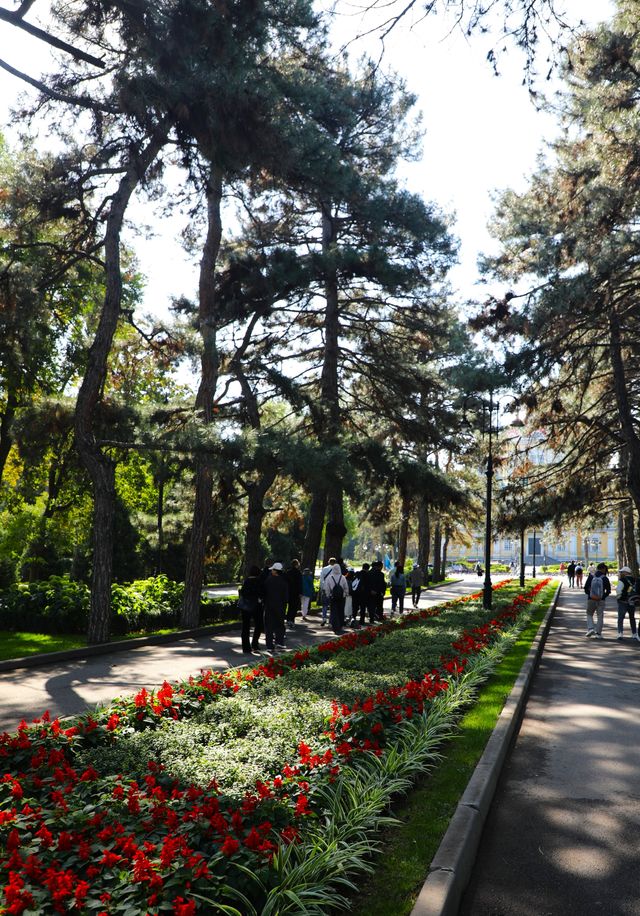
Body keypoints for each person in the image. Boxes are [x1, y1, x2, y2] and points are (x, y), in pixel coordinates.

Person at [263, 561, 289, 652]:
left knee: (269, 626)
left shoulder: (268, 580)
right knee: (280, 625)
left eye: (272, 570)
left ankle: (269, 646)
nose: (271, 571)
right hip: (280, 607)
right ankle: (280, 642)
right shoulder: (283, 582)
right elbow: (286, 596)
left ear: (275, 571)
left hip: (269, 606)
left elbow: (264, 593)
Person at [238, 565, 264, 653]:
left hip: (245, 607)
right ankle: (255, 643)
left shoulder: (246, 581)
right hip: (256, 606)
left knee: (245, 627)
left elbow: (243, 593)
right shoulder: (259, 581)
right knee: (259, 625)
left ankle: (246, 647)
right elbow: (262, 593)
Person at [584, 562, 611, 639]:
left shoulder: (591, 576)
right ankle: (598, 633)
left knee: (589, 614)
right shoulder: (605, 578)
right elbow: (608, 591)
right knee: (600, 616)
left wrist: (591, 595)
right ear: (604, 569)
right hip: (601, 600)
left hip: (591, 599)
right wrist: (602, 597)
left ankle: (590, 628)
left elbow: (586, 588)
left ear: (597, 568)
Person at [323, 562, 348, 634]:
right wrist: (345, 594)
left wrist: (328, 595)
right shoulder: (342, 577)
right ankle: (340, 625)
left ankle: (335, 625)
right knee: (341, 611)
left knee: (333, 611)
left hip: (333, 597)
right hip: (341, 597)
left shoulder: (329, 577)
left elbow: (326, 588)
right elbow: (346, 587)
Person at [615, 566, 640, 641]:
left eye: (622, 572)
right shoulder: (635, 580)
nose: (621, 573)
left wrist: (619, 598)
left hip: (623, 601)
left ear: (626, 573)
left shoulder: (622, 580)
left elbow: (618, 590)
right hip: (632, 601)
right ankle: (634, 634)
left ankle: (620, 633)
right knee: (632, 618)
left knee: (621, 618)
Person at [285, 559, 302, 629]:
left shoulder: (288, 572)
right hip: (296, 592)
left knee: (289, 606)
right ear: (296, 564)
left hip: (289, 592)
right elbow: (300, 583)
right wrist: (300, 592)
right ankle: (292, 620)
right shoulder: (298, 573)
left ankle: (288, 619)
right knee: (294, 607)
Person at [319, 556, 336, 626]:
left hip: (325, 589)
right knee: (332, 605)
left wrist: (321, 588)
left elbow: (321, 579)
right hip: (333, 589)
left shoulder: (324, 569)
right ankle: (330, 621)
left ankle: (324, 618)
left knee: (324, 605)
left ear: (329, 562)